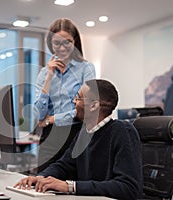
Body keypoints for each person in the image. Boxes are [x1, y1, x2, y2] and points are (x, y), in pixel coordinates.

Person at [16, 79, 143, 200]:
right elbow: (63, 166)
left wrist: (70, 186)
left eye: (78, 97)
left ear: (93, 105)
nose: (74, 101)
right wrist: (40, 178)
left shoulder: (122, 131)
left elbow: (128, 188)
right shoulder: (84, 134)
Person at [33, 18, 96, 172]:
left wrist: (52, 119)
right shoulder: (43, 73)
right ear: (50, 44)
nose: (62, 48)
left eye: (67, 42)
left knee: (71, 186)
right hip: (49, 137)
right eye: (57, 43)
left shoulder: (85, 68)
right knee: (42, 182)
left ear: (75, 42)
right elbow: (38, 113)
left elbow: (86, 107)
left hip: (77, 134)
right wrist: (49, 77)